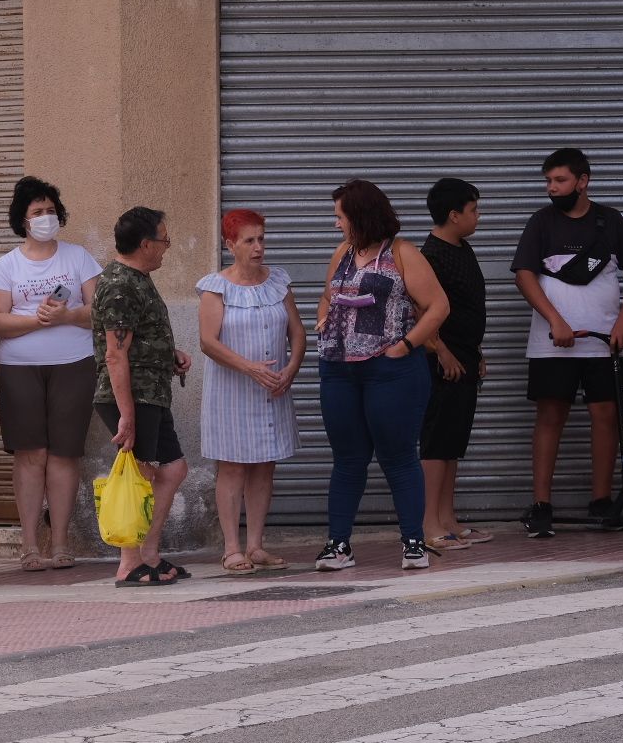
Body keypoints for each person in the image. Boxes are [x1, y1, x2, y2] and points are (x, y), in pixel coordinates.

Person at [314, 179, 451, 572]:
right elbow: (328, 293)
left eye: (340, 216)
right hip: (339, 369)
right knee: (347, 458)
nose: (336, 224)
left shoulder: (403, 253)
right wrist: (323, 317)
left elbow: (438, 306)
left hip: (390, 370)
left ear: (361, 216)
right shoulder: (343, 252)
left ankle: (413, 543)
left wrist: (405, 346)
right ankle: (338, 545)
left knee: (398, 456)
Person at [511, 150, 623, 539]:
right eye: (548, 182)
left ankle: (601, 501)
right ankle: (541, 505)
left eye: (560, 180)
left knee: (605, 417)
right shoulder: (541, 222)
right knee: (550, 417)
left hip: (605, 343)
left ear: (582, 181)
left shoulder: (609, 221)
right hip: (552, 344)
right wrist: (555, 320)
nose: (552, 188)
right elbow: (524, 275)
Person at [0, 176, 102, 570]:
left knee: (64, 453)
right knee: (30, 454)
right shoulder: (7, 265)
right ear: (22, 220)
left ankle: (62, 541)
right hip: (19, 369)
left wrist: (67, 315)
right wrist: (38, 321)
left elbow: (100, 310)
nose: (46, 217)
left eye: (51, 211)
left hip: (74, 364)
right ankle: (30, 543)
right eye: (37, 212)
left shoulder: (78, 257)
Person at [197, 209, 304, 575]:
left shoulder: (278, 282)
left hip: (272, 388)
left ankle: (256, 545)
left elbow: (298, 332)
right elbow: (208, 343)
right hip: (232, 391)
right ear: (230, 245)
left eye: (261, 238)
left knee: (264, 466)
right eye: (249, 240)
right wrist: (249, 368)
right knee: (232, 467)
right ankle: (231, 548)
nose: (258, 247)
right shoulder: (216, 287)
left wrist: (290, 369)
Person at [93, 206, 193, 586]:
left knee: (172, 469)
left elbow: (137, 341)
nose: (167, 247)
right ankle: (129, 562)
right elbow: (115, 353)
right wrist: (127, 414)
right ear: (146, 243)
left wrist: (169, 356)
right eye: (164, 240)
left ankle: (149, 553)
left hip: (152, 392)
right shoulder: (120, 284)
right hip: (132, 397)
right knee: (143, 475)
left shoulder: (138, 277)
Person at [418, 178, 491, 552]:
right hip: (441, 362)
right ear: (453, 214)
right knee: (436, 440)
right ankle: (429, 522)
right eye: (474, 210)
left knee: (453, 442)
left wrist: (475, 351)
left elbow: (468, 306)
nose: (478, 216)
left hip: (464, 357)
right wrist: (441, 351)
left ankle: (448, 518)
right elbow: (419, 312)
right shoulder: (429, 257)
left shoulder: (463, 249)